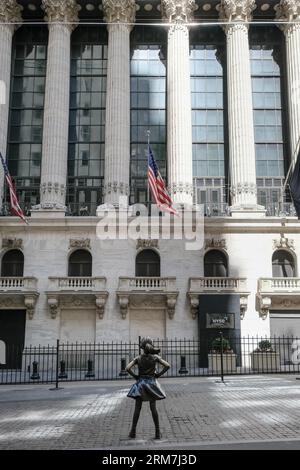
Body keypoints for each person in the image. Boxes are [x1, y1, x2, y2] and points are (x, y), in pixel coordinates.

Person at [126, 336, 170, 439]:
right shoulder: (155, 358)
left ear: (141, 347)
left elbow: (127, 368)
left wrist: (135, 376)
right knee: (153, 408)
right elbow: (167, 365)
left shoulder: (138, 358)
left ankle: (133, 431)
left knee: (137, 408)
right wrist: (158, 374)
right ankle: (157, 433)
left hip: (140, 384)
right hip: (151, 384)